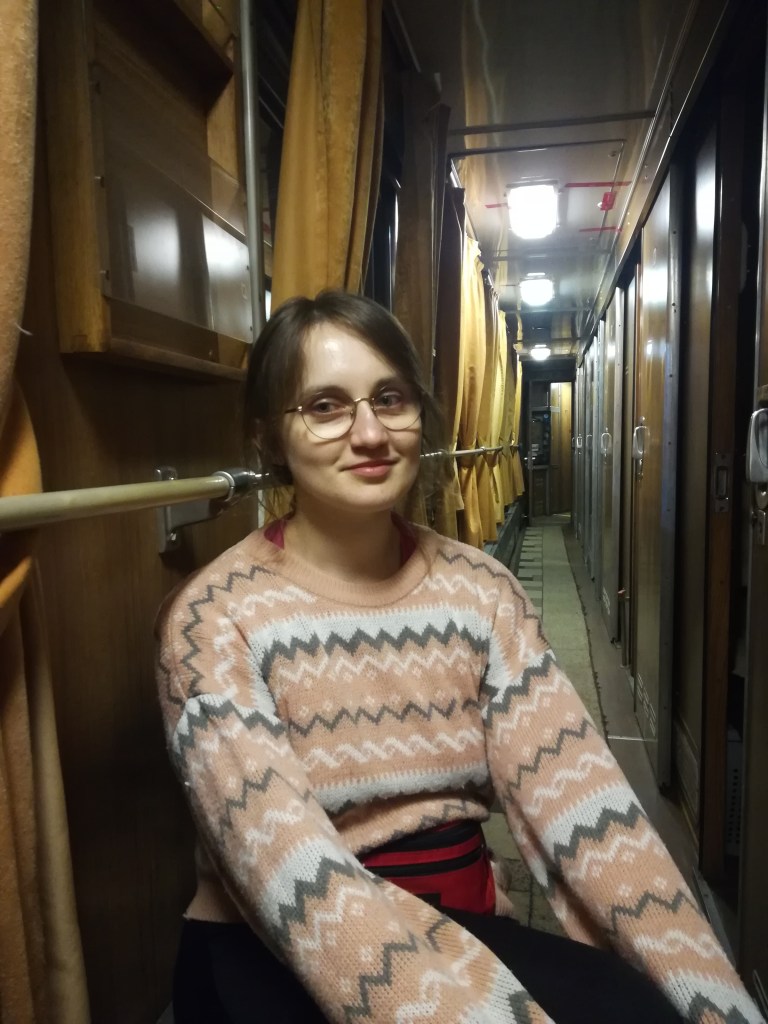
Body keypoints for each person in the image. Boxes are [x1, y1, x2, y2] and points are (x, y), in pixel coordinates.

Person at [155, 291, 764, 1024]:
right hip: (275, 935)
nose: (370, 433)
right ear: (268, 438)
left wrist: (710, 999)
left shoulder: (481, 591)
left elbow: (583, 798)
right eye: (325, 407)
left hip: (458, 915)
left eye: (391, 399)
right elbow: (283, 866)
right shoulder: (212, 617)